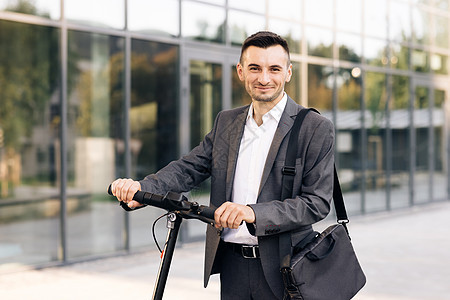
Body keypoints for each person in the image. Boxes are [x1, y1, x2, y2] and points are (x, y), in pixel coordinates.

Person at [110, 31, 335, 300]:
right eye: (255, 68)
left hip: (287, 269)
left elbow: (316, 203)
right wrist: (141, 189)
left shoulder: (314, 127)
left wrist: (252, 213)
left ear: (288, 72)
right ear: (241, 71)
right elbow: (189, 168)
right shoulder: (227, 122)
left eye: (274, 69)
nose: (264, 78)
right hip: (232, 266)